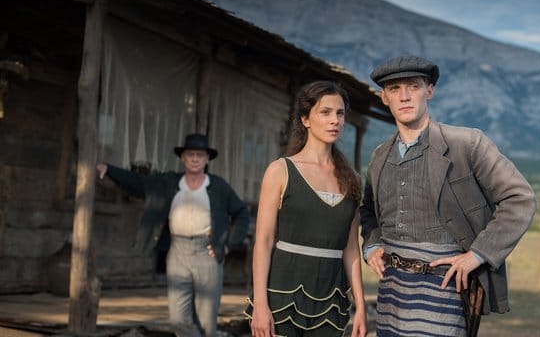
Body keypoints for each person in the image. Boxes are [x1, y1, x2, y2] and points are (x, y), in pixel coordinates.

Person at [360, 56, 536, 336]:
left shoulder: (467, 143)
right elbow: (367, 210)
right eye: (394, 89)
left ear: (430, 91)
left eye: (414, 86)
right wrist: (371, 247)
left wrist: (478, 254)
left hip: (445, 293)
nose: (404, 96)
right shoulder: (379, 155)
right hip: (391, 294)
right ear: (384, 97)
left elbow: (520, 198)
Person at [96, 133, 250, 337]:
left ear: (207, 159)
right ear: (183, 158)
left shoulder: (219, 187)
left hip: (208, 253)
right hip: (177, 252)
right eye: (191, 154)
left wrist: (229, 244)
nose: (195, 158)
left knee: (206, 322)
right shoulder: (168, 183)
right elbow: (138, 182)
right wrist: (109, 169)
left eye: (200, 155)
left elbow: (242, 213)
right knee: (178, 318)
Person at [245, 81, 367, 337]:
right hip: (281, 295)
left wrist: (361, 307)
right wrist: (260, 305)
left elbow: (351, 248)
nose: (335, 120)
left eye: (340, 113)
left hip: (331, 300)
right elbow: (264, 242)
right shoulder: (280, 171)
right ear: (305, 119)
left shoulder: (352, 179)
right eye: (325, 112)